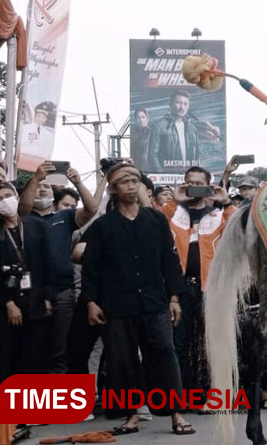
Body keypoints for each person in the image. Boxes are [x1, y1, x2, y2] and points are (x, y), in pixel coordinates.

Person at [81, 163, 194, 435]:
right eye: (125, 182)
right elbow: (91, 267)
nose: (132, 186)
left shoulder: (155, 220)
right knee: (123, 359)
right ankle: (131, 416)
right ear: (113, 189)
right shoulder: (103, 227)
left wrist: (174, 298)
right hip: (118, 304)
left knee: (165, 354)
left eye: (135, 181)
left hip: (154, 302)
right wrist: (91, 301)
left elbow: (169, 260)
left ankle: (176, 415)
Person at [16, 161, 100, 374]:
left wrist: (78, 183)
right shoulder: (24, 219)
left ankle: (58, 399)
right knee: (34, 345)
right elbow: (22, 208)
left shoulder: (63, 217)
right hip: (32, 292)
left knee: (60, 347)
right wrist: (35, 178)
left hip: (63, 291)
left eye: (46, 185)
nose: (43, 187)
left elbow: (91, 209)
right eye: (39, 185)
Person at [162, 166, 235, 400]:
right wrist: (175, 201)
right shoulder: (173, 213)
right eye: (189, 182)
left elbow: (239, 231)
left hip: (211, 289)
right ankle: (180, 396)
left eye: (199, 183)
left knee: (210, 343)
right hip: (179, 289)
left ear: (208, 185)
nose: (194, 187)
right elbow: (155, 224)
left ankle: (210, 394)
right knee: (179, 343)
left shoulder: (217, 213)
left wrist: (226, 203)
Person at [0, 180, 52, 381]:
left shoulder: (37, 226)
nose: (4, 202)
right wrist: (8, 303)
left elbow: (47, 265)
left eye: (7, 196)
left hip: (36, 301)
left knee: (36, 358)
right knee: (6, 358)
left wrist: (47, 297)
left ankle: (31, 407)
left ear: (16, 196)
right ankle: (8, 408)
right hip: (7, 305)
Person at [147, 91, 198, 173]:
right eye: (178, 103)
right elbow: (152, 155)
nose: (182, 107)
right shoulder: (159, 126)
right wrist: (162, 174)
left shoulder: (193, 130)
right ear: (170, 104)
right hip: (168, 177)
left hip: (188, 177)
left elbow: (197, 156)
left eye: (185, 104)